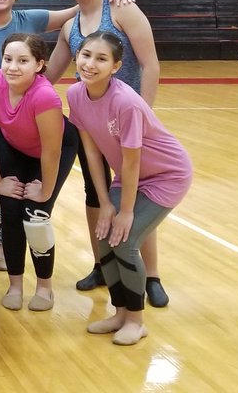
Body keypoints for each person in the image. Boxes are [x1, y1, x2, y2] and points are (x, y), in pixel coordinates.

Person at [0, 0, 135, 278]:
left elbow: (78, 7)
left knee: (18, 196)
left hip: (26, 117)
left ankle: (10, 246)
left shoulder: (30, 19)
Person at [45, 0, 169, 307]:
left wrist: (144, 117)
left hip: (129, 121)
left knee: (139, 194)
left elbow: (150, 65)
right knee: (94, 193)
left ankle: (153, 275)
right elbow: (50, 75)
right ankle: (102, 264)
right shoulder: (70, 27)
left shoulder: (122, 9)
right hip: (94, 125)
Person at [67, 32, 191, 345]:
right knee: (104, 238)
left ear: (116, 66)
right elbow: (92, 153)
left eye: (101, 58)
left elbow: (133, 161)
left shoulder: (126, 103)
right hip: (127, 175)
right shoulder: (75, 95)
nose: (90, 63)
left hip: (166, 176)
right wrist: (106, 204)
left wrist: (124, 212)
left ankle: (137, 321)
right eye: (86, 55)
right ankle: (120, 312)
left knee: (126, 239)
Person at [0, 34, 79, 311]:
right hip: (13, 144)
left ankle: (45, 288)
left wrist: (44, 191)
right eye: (8, 59)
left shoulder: (44, 97)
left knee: (36, 216)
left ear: (39, 64)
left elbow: (51, 152)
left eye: (23, 61)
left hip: (51, 150)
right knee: (9, 212)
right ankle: (15, 285)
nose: (12, 67)